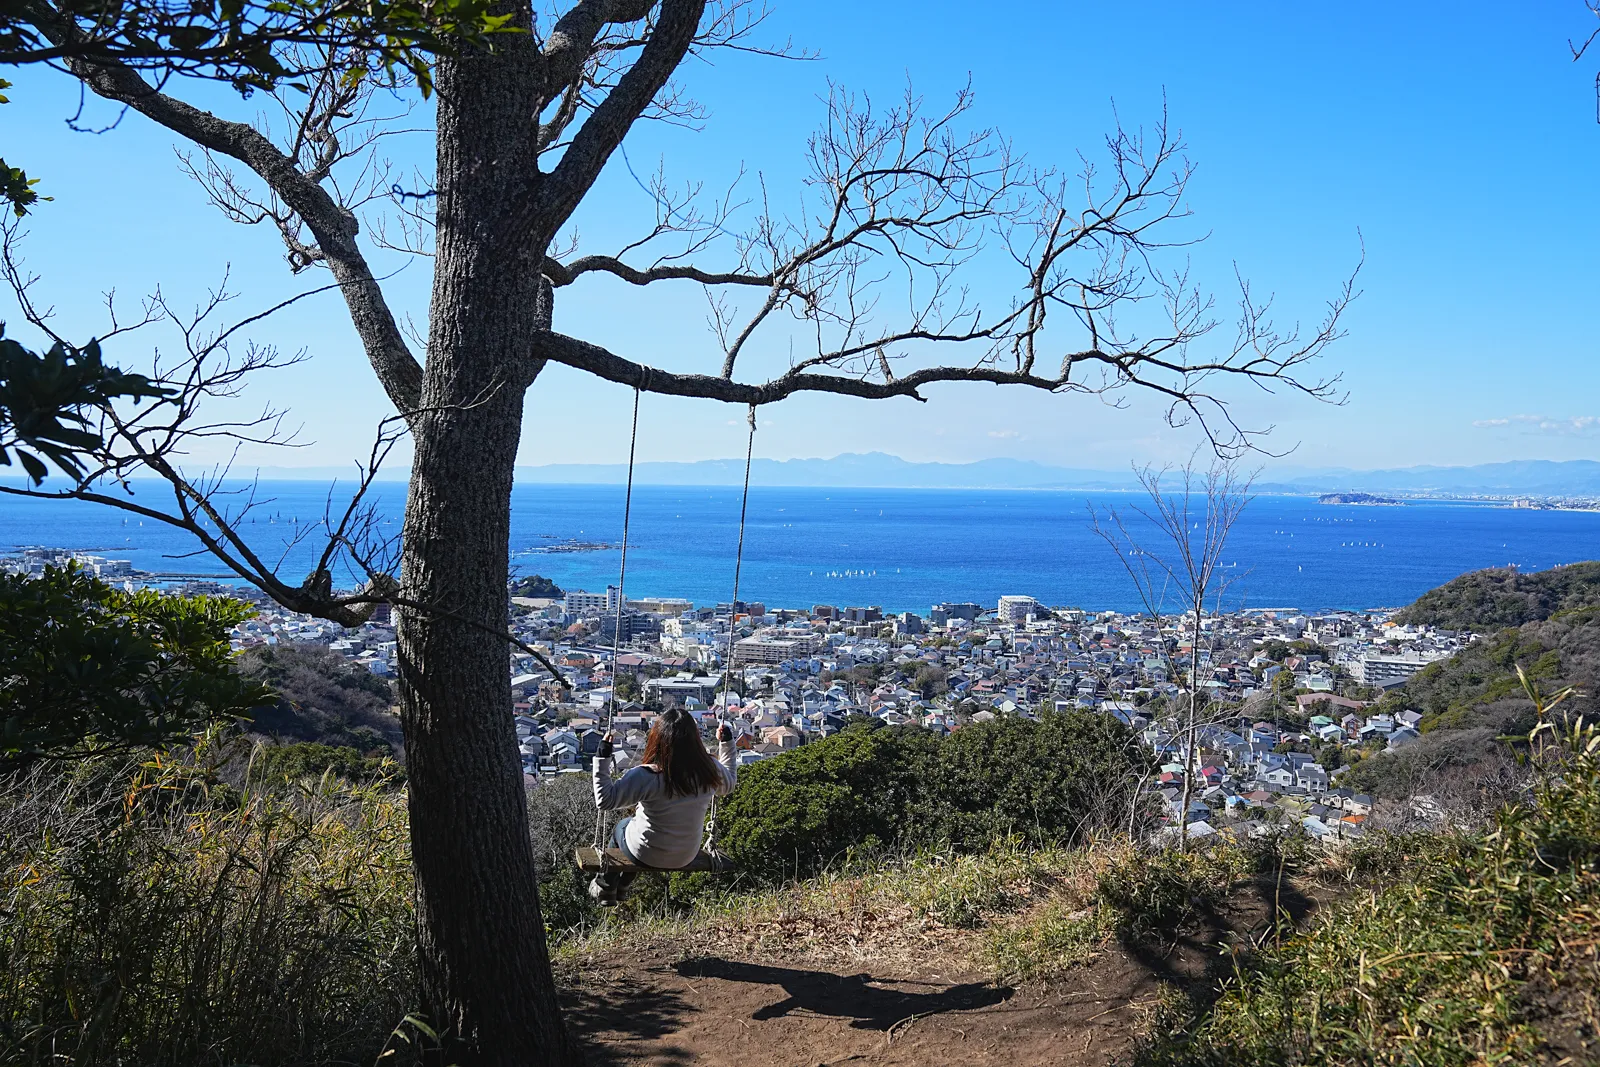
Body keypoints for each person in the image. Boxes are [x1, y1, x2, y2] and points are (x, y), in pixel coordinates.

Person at [589, 708, 737, 905]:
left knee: (621, 828)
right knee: (634, 831)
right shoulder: (708, 770)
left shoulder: (646, 776)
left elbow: (606, 801)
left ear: (657, 739)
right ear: (695, 740)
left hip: (644, 854)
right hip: (686, 854)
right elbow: (728, 785)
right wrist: (726, 744)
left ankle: (606, 885)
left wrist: (602, 757)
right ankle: (623, 884)